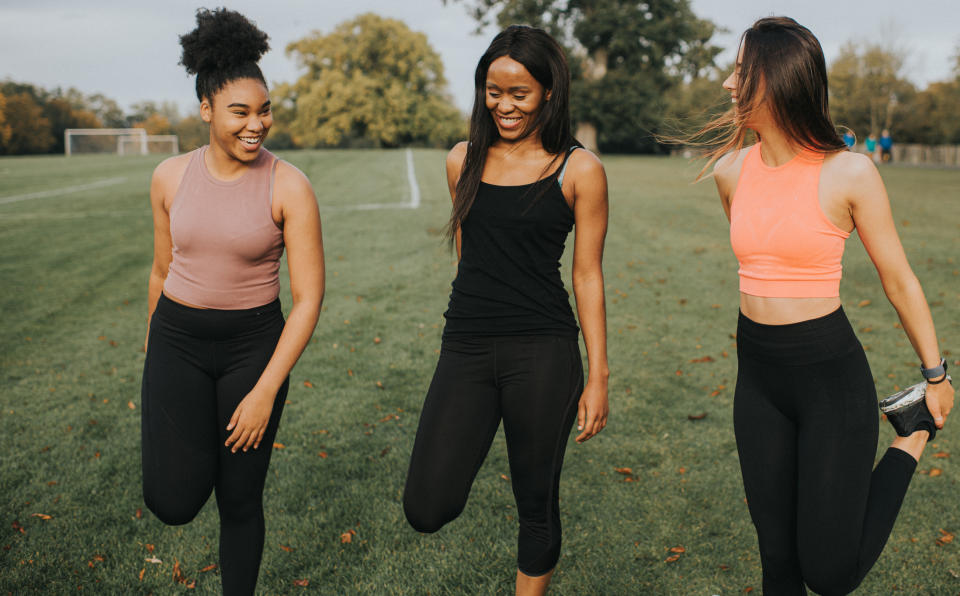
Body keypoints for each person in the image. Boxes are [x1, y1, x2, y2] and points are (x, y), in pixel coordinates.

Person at [700, 17, 953, 595]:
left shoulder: (849, 172)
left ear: (774, 79)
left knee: (830, 573)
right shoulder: (730, 171)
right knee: (777, 562)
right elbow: (761, 261)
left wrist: (935, 375)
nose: (727, 85)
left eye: (739, 72)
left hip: (828, 379)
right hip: (758, 378)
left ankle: (911, 433)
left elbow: (899, 278)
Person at [402, 25, 609, 596]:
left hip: (543, 351)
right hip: (466, 345)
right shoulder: (461, 160)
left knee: (535, 498)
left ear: (548, 91)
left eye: (519, 93)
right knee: (426, 504)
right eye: (494, 91)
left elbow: (587, 274)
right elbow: (471, 257)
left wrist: (599, 374)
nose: (504, 105)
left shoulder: (579, 170)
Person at [140, 8, 324, 595]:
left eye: (264, 110)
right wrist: (153, 355)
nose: (256, 125)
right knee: (171, 502)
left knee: (240, 498)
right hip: (176, 342)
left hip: (252, 349)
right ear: (206, 111)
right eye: (240, 112)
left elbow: (309, 297)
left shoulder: (289, 185)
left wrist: (265, 390)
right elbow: (161, 269)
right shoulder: (169, 176)